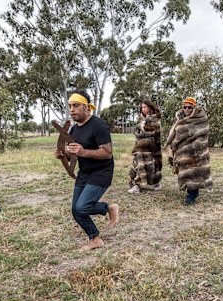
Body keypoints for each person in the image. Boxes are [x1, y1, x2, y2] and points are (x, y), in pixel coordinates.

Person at [54, 90, 119, 252]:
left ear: (86, 107)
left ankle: (108, 207)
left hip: (101, 172)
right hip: (84, 173)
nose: (72, 109)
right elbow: (72, 154)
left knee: (82, 207)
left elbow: (107, 153)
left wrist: (84, 152)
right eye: (70, 106)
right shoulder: (74, 130)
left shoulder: (99, 126)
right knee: (76, 210)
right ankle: (95, 239)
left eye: (76, 106)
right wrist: (64, 154)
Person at [165, 96, 213, 205]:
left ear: (194, 107)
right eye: (185, 107)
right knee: (185, 172)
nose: (187, 109)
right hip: (182, 151)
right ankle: (192, 191)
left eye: (189, 107)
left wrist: (195, 146)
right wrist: (173, 145)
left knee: (194, 172)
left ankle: (192, 194)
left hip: (195, 151)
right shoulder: (179, 119)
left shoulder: (200, 119)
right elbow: (175, 133)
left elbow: (202, 134)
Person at [128, 100, 162, 193]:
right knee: (138, 164)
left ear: (150, 108)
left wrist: (143, 131)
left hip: (151, 146)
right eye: (142, 107)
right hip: (139, 146)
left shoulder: (155, 118)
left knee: (152, 165)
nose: (143, 109)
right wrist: (140, 132)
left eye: (145, 107)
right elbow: (136, 132)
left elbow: (155, 133)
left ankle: (156, 182)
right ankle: (137, 185)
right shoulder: (140, 119)